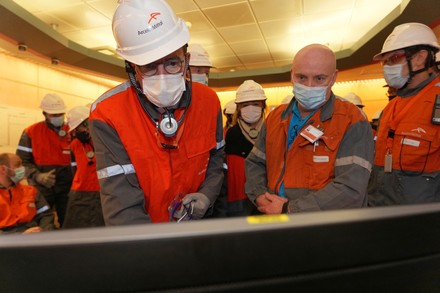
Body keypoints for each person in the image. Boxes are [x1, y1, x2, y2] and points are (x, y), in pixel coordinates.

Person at [89, 0, 224, 225]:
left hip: (196, 227)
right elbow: (121, 204)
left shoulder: (208, 101)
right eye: (149, 66)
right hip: (146, 238)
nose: (162, 76)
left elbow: (216, 158)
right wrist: (153, 249)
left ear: (187, 59)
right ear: (132, 68)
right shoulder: (107, 114)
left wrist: (207, 195)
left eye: (172, 63)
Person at [245, 44, 374, 214]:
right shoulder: (276, 117)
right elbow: (255, 162)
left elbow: (351, 188)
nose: (309, 86)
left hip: (323, 226)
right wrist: (259, 196)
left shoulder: (352, 120)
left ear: (334, 77)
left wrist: (289, 208)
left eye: (319, 78)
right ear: (292, 74)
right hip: (274, 219)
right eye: (301, 77)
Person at [368, 22, 440, 205]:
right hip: (384, 217)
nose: (387, 67)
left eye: (394, 59)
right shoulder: (391, 108)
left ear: (420, 58)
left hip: (424, 225)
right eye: (385, 61)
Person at [16, 93, 73, 227]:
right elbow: (21, 162)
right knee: (43, 221)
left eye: (60, 114)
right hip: (42, 186)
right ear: (45, 114)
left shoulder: (72, 131)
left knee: (68, 221)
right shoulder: (31, 132)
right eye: (54, 115)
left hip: (68, 184)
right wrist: (37, 176)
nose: (58, 117)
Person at [225, 80, 267, 217]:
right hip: (237, 200)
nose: (251, 108)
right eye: (245, 105)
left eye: (255, 104)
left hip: (266, 198)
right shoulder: (231, 135)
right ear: (239, 108)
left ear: (263, 106)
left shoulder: (272, 131)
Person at [63, 106, 105, 228]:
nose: (77, 132)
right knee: (74, 228)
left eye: (79, 128)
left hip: (101, 192)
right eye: (75, 130)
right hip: (79, 193)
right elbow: (74, 169)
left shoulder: (103, 140)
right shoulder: (75, 144)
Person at [0, 153, 54, 234]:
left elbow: (46, 215)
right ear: (3, 169)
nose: (22, 168)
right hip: (6, 241)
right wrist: (19, 237)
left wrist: (43, 232)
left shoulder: (31, 191)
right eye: (18, 165)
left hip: (35, 236)